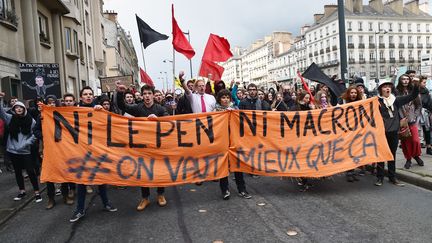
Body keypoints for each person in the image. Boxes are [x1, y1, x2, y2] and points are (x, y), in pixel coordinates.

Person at [116, 84, 169, 211]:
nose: (147, 96)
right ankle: (145, 197)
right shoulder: (137, 108)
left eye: (149, 94)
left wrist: (159, 120)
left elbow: (169, 121)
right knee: (143, 171)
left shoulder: (160, 109)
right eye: (144, 94)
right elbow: (122, 106)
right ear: (142, 95)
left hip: (157, 145)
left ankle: (160, 194)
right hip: (142, 146)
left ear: (153, 95)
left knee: (159, 170)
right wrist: (119, 93)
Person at [70, 86, 117, 223]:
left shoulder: (98, 109)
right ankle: (79, 209)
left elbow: (108, 124)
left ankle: (106, 203)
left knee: (101, 178)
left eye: (90, 94)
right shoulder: (73, 111)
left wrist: (101, 111)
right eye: (85, 94)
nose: (88, 96)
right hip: (80, 151)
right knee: (82, 181)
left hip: (97, 150)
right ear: (80, 97)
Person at [375, 78, 420, 186]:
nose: (387, 88)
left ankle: (392, 177)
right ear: (381, 89)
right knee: (381, 156)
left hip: (393, 132)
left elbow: (412, 96)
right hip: (381, 133)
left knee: (392, 155)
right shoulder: (376, 101)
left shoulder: (396, 100)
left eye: (389, 87)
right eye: (385, 87)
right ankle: (379, 178)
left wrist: (416, 85)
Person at [0, 92, 41, 203]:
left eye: (20, 107)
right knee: (18, 172)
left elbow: (34, 135)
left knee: (30, 171)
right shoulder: (10, 118)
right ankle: (22, 191)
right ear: (13, 109)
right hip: (13, 150)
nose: (18, 109)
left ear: (24, 109)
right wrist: (1, 99)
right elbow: (2, 113)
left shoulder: (30, 120)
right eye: (16, 107)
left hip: (25, 151)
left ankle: (37, 192)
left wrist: (26, 143)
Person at [395, 75, 424, 169]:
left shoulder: (414, 91)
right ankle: (408, 159)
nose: (405, 81)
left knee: (416, 140)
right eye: (403, 79)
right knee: (406, 143)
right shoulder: (396, 92)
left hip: (412, 121)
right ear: (400, 80)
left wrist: (415, 116)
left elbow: (419, 106)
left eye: (407, 79)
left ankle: (416, 155)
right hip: (402, 122)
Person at [341, 86, 362, 182]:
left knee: (354, 152)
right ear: (348, 94)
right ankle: (348, 172)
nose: (353, 94)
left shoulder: (360, 103)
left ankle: (353, 171)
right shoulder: (343, 102)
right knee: (348, 152)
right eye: (351, 93)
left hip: (356, 131)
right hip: (346, 132)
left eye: (355, 93)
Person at [419, 76, 432, 155]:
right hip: (416, 113)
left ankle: (429, 147)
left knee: (427, 130)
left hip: (425, 113)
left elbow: (429, 102)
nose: (425, 84)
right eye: (424, 82)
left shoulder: (426, 91)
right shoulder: (414, 91)